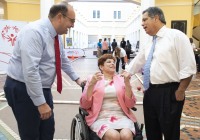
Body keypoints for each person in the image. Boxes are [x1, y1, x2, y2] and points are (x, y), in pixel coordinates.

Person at [3, 2, 85, 140]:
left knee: (47, 131)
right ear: (60, 16)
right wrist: (40, 103)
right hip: (23, 88)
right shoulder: (34, 32)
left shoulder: (56, 35)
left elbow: (62, 59)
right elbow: (30, 71)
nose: (73, 25)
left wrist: (77, 79)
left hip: (42, 87)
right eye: (72, 21)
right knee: (31, 134)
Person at [125, 7, 196, 140]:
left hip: (169, 92)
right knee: (152, 131)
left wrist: (180, 91)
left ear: (156, 18)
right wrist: (125, 73)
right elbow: (139, 60)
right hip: (150, 91)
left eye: (145, 19)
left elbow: (189, 67)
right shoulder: (150, 42)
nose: (142, 23)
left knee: (170, 132)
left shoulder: (176, 36)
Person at [80, 54, 137, 140]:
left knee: (127, 135)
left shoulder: (121, 79)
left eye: (114, 62)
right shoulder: (93, 79)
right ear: (101, 66)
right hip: (100, 117)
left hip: (121, 115)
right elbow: (85, 105)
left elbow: (130, 104)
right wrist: (92, 84)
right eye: (109, 62)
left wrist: (127, 83)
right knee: (114, 136)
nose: (113, 63)